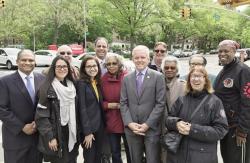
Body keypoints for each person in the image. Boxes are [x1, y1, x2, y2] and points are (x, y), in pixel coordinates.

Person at [166, 66, 228, 163]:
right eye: (193, 76)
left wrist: (192, 129)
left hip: (202, 157)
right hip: (179, 156)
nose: (195, 79)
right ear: (189, 80)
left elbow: (221, 130)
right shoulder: (182, 99)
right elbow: (168, 119)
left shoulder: (215, 102)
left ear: (205, 80)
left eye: (199, 76)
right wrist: (176, 123)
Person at [120, 45, 166, 163]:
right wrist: (129, 123)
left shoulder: (158, 77)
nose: (139, 60)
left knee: (152, 160)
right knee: (135, 160)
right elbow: (123, 103)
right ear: (132, 59)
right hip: (132, 130)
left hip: (151, 129)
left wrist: (147, 124)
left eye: (143, 57)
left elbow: (160, 103)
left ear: (148, 59)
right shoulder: (126, 79)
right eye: (136, 57)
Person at [0, 49, 44, 163]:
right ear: (17, 61)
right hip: (15, 139)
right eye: (24, 60)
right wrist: (22, 127)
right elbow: (2, 109)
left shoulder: (42, 79)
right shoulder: (4, 82)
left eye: (31, 60)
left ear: (35, 62)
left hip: (36, 138)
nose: (28, 63)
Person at [35, 56, 79, 163]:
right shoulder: (46, 88)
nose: (62, 69)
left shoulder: (72, 86)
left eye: (64, 66)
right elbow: (41, 116)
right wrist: (50, 137)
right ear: (53, 69)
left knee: (72, 160)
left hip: (71, 131)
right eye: (58, 66)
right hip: (57, 134)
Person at [214, 40, 250, 163]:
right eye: (220, 51)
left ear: (234, 52)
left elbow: (248, 102)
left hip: (237, 130)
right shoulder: (225, 69)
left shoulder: (242, 70)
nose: (222, 54)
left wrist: (242, 131)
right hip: (225, 127)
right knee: (228, 159)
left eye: (226, 51)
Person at [101, 53, 131, 163]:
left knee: (130, 151)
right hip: (111, 121)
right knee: (115, 152)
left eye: (114, 63)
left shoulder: (128, 77)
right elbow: (98, 101)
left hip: (127, 120)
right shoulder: (102, 79)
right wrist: (108, 105)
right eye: (108, 64)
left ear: (119, 64)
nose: (111, 66)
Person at [76, 55, 106, 163]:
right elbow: (82, 109)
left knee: (97, 157)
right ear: (84, 69)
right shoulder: (81, 84)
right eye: (88, 66)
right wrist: (87, 132)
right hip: (89, 130)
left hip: (100, 127)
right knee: (89, 158)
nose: (92, 68)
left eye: (94, 66)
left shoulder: (96, 82)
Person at [160, 56, 185, 163]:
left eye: (172, 68)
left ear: (177, 69)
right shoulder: (157, 83)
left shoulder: (184, 86)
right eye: (166, 68)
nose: (169, 70)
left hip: (176, 129)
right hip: (159, 126)